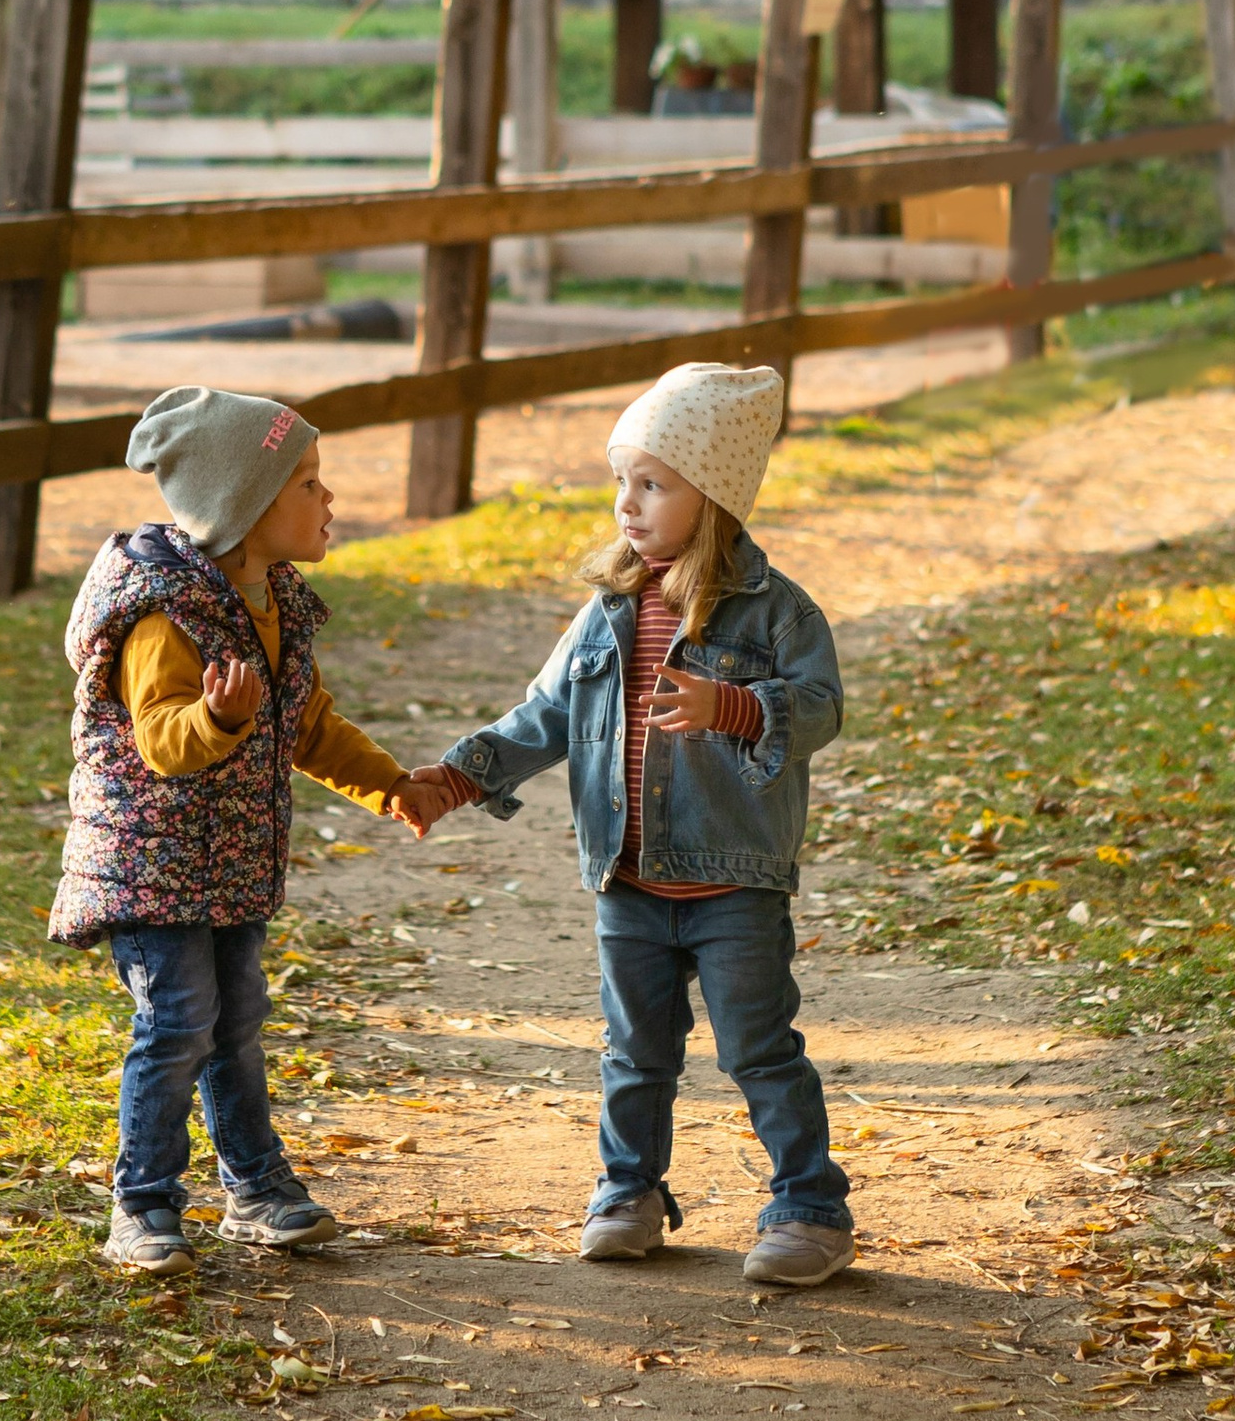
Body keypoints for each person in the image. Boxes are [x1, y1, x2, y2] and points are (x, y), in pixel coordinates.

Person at [400, 363, 854, 1286]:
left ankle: (809, 1206)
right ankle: (628, 1192)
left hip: (734, 882)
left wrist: (732, 706)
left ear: (714, 495)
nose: (627, 503)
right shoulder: (608, 611)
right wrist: (457, 776)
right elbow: (545, 717)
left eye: (653, 483)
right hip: (630, 880)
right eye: (622, 480)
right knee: (635, 1053)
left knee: (759, 1051)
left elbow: (820, 707)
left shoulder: (778, 612)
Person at [51, 385, 455, 1277]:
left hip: (228, 864)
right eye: (307, 482)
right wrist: (218, 719)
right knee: (179, 1022)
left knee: (236, 1020)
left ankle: (257, 1190)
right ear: (245, 506)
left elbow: (307, 723)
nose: (329, 499)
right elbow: (160, 741)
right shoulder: (164, 612)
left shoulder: (270, 596)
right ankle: (144, 1204)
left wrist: (390, 785)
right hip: (151, 867)